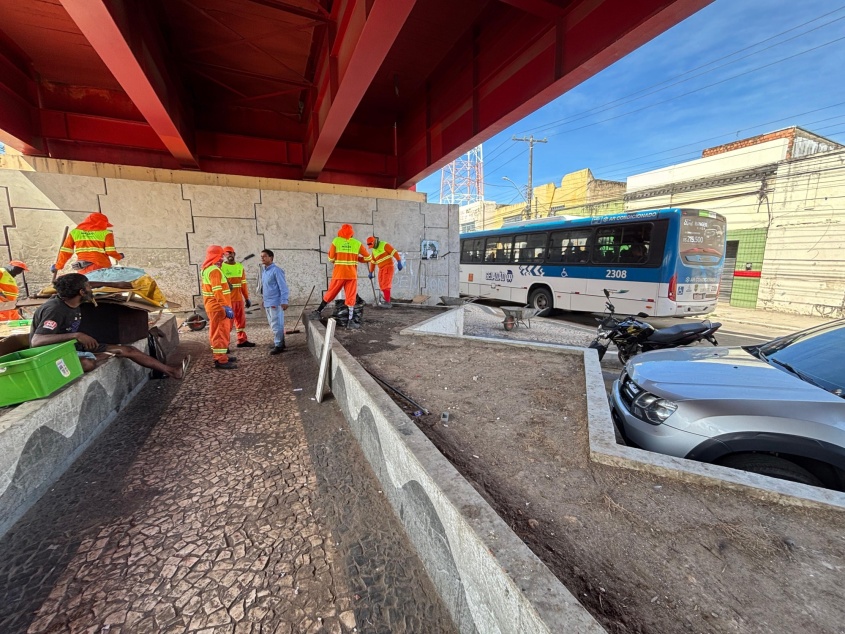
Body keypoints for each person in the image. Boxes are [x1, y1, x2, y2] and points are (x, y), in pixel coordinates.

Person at [30, 273, 188, 378]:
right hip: (53, 354)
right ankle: (95, 356)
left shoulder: (72, 296)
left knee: (128, 350)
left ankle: (172, 371)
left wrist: (115, 284)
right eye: (89, 288)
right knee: (88, 363)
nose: (91, 288)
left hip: (72, 346)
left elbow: (90, 283)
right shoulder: (55, 309)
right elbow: (36, 341)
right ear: (82, 292)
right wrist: (76, 335)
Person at [311, 224, 370, 328]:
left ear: (340, 232)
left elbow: (330, 258)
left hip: (339, 273)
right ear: (352, 233)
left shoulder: (336, 241)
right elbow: (368, 257)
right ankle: (350, 321)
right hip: (352, 275)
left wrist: (338, 260)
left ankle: (318, 311)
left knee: (331, 293)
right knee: (351, 296)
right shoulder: (357, 243)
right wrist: (356, 258)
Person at [52, 213, 124, 275]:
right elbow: (110, 251)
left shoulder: (75, 232)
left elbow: (66, 251)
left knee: (85, 287)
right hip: (101, 265)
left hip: (82, 266)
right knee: (101, 288)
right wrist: (119, 256)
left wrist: (58, 266)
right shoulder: (107, 233)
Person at [201, 245, 236, 370]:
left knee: (219, 332)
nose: (222, 258)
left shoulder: (208, 269)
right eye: (220, 256)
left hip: (214, 307)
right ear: (214, 256)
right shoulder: (214, 271)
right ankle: (220, 359)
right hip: (219, 308)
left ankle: (222, 355)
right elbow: (217, 291)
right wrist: (225, 307)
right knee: (220, 333)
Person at [221, 246, 256, 348]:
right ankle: (225, 345)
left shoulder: (240, 267)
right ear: (224, 255)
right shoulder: (221, 268)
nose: (230, 255)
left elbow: (243, 284)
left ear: (234, 254)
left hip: (239, 300)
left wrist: (247, 298)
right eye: (227, 254)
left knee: (241, 322)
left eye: (231, 253)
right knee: (228, 323)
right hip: (228, 301)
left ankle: (242, 340)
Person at [260, 249, 289, 355]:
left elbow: (283, 287)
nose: (262, 258)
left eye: (265, 256)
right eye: (261, 256)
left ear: (271, 258)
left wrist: (284, 300)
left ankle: (279, 345)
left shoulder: (276, 270)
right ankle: (280, 342)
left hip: (276, 302)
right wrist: (264, 300)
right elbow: (266, 287)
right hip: (268, 302)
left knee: (277, 324)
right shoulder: (264, 271)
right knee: (273, 324)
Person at [366, 236, 403, 308]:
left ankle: (388, 302)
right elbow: (373, 262)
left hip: (388, 267)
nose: (372, 248)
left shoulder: (384, 245)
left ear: (375, 242)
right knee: (382, 285)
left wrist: (399, 261)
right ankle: (387, 300)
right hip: (381, 268)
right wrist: (370, 272)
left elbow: (394, 252)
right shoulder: (374, 251)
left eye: (372, 246)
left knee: (386, 284)